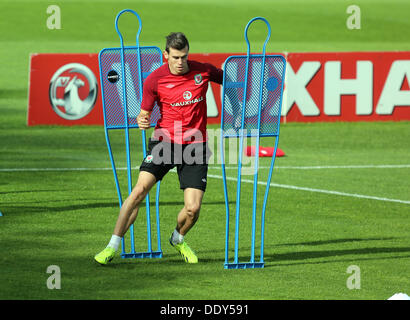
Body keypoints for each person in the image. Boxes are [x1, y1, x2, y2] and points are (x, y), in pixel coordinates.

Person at [95, 32, 223, 265]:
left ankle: (178, 238)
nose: (180, 62)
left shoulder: (203, 71)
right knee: (139, 191)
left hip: (195, 145)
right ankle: (111, 246)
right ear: (166, 55)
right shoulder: (155, 79)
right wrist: (142, 120)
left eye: (184, 56)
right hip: (165, 141)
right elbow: (144, 114)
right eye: (175, 57)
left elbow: (233, 84)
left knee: (193, 209)